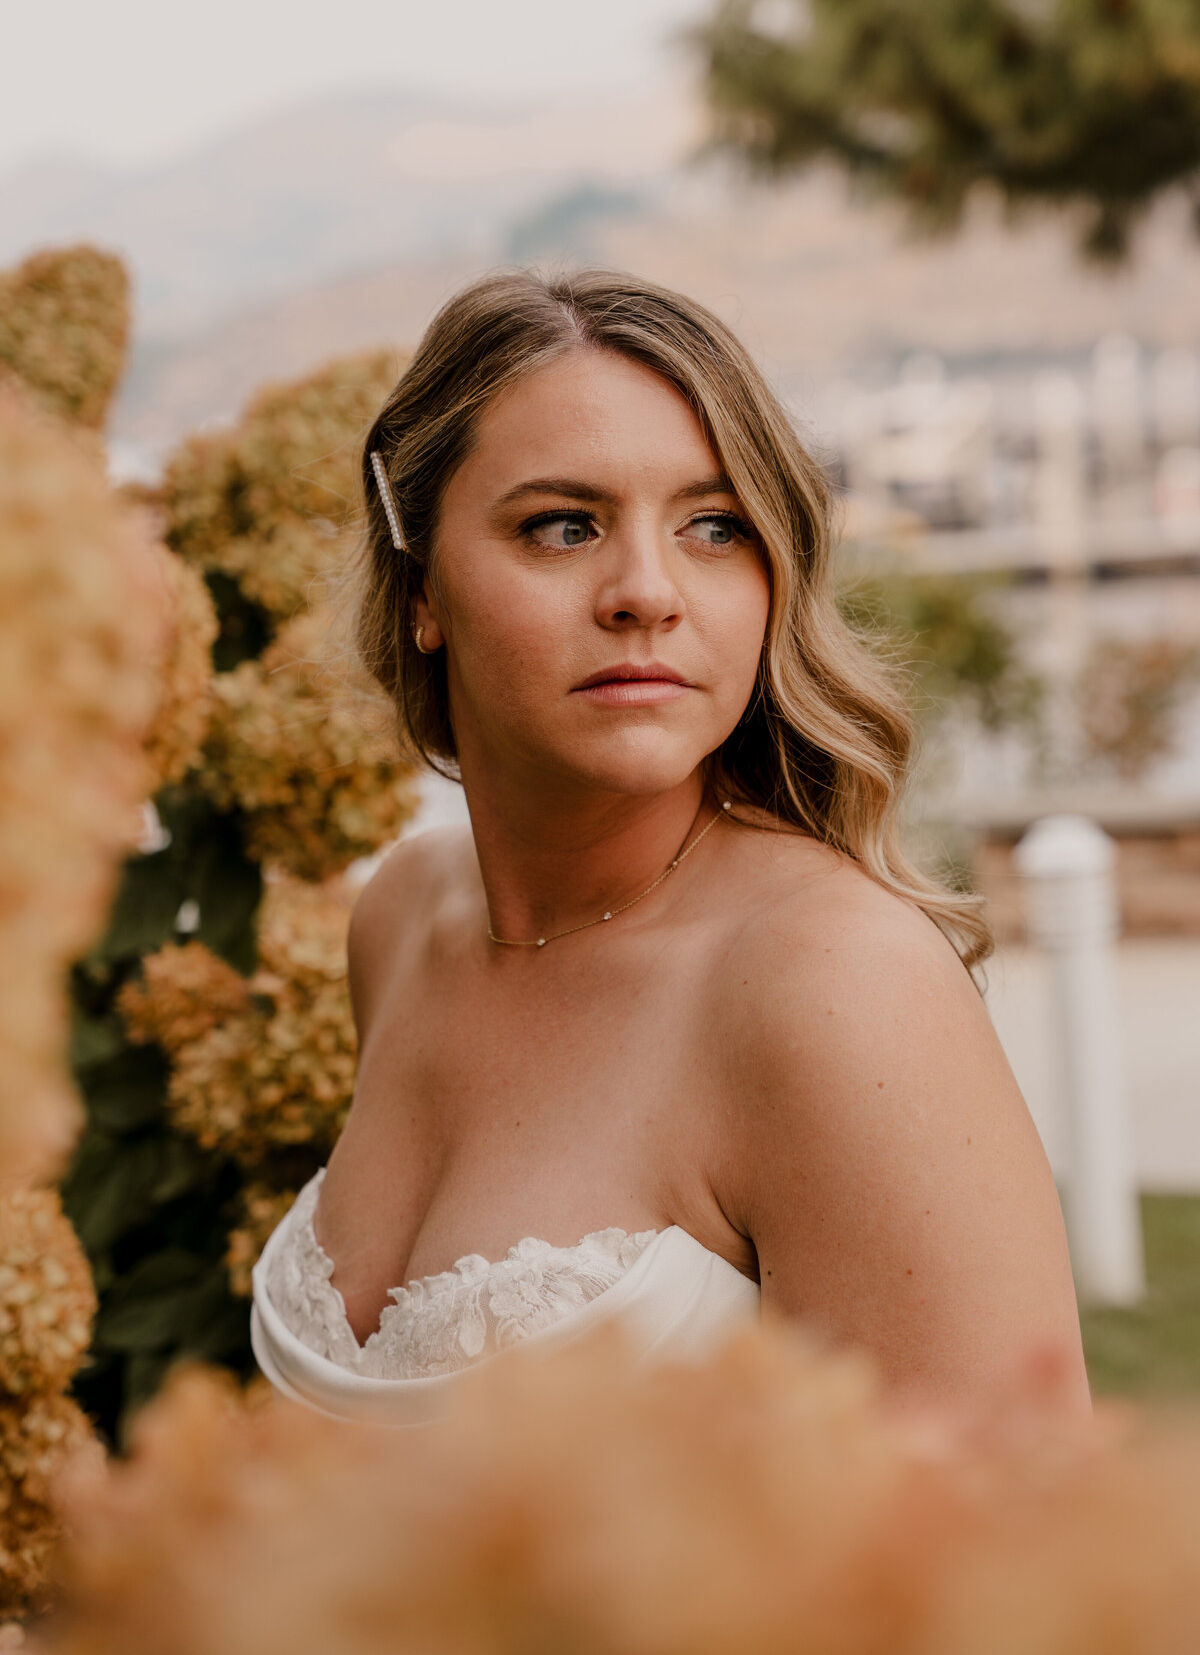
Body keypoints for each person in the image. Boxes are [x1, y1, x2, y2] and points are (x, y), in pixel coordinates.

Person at [250, 269, 1090, 1426]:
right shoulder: (403, 919)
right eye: (562, 525)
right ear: (420, 590)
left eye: (713, 527)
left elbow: (1019, 1555)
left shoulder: (835, 984)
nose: (648, 591)